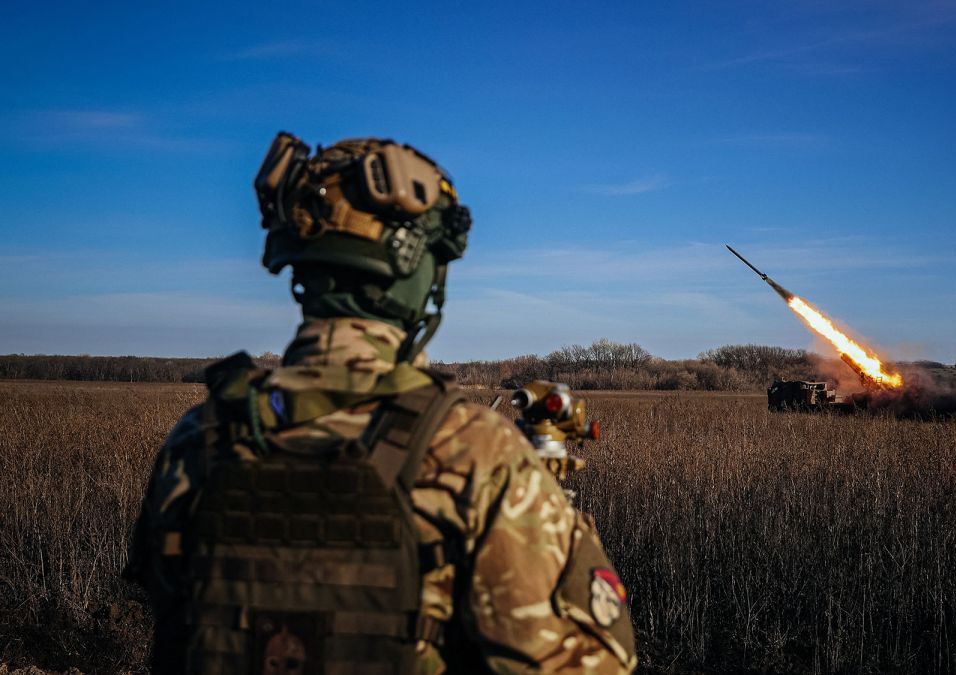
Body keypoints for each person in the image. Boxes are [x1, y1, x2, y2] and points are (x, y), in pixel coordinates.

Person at [124, 133, 637, 674]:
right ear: (420, 272)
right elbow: (586, 665)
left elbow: (170, 608)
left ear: (301, 262)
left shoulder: (202, 433)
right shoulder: (472, 450)